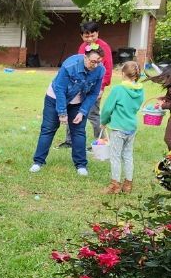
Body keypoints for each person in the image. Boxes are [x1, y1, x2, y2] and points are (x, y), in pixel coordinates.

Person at [30, 45, 105, 176]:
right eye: (93, 61)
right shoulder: (70, 65)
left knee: (79, 132)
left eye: (99, 61)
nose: (96, 65)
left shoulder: (99, 70)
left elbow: (93, 94)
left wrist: (82, 111)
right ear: (85, 57)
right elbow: (59, 89)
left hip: (78, 102)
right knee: (48, 129)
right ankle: (38, 162)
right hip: (55, 99)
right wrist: (62, 112)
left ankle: (81, 165)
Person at [100, 61, 145, 195]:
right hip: (132, 126)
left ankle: (115, 185)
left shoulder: (118, 89)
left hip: (119, 127)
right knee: (128, 155)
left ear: (123, 73)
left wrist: (104, 121)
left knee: (115, 156)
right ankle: (128, 185)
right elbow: (136, 107)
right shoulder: (140, 90)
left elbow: (108, 108)